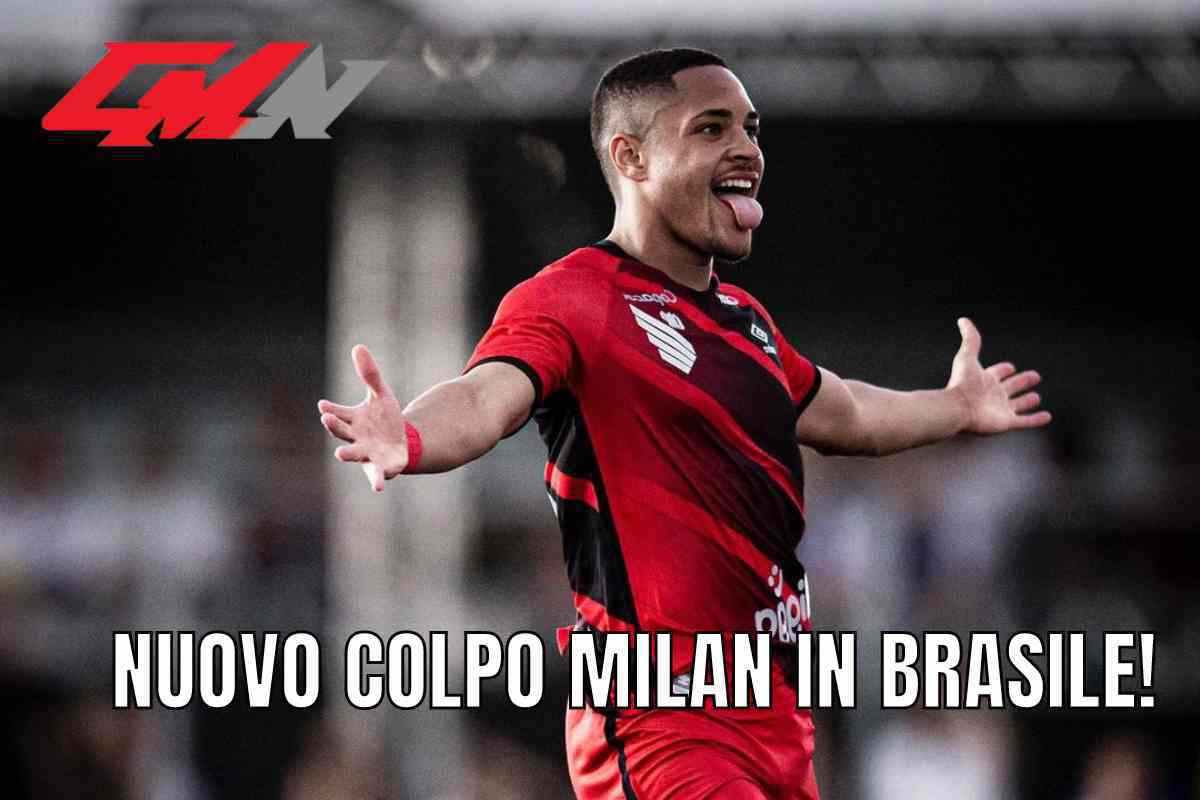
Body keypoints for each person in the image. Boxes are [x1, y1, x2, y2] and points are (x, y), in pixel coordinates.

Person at [317, 48, 1050, 800]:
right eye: (710, 128)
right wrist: (411, 436)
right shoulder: (573, 298)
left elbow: (849, 412)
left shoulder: (747, 324)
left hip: (774, 715)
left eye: (751, 130)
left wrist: (957, 406)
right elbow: (484, 397)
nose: (747, 150)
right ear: (630, 156)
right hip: (660, 716)